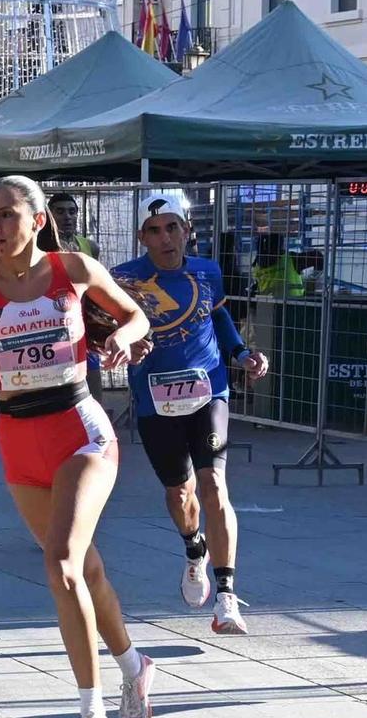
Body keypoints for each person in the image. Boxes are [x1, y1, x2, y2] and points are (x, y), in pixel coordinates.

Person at [0, 175, 157, 718]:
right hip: (17, 439)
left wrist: (124, 339)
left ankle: (91, 714)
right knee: (87, 571)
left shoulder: (72, 270)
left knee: (61, 565)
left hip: (80, 428)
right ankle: (135, 667)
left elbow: (136, 318)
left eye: (7, 215)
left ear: (37, 219)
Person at [113, 190, 268, 634]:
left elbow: (218, 319)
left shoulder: (207, 272)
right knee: (180, 494)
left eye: (173, 228)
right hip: (155, 399)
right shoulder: (123, 280)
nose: (166, 239)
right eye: (155, 231)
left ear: (187, 230)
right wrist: (126, 343)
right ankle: (193, 548)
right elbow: (105, 328)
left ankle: (226, 596)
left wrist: (241, 354)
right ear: (143, 237)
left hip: (209, 390)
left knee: (213, 483)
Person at [49, 191, 103, 400]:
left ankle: (98, 422)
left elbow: (99, 286)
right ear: (49, 216)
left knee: (92, 375)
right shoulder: (38, 247)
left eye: (72, 212)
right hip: (50, 325)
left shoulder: (90, 247)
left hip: (82, 324)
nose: (67, 217)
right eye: (60, 212)